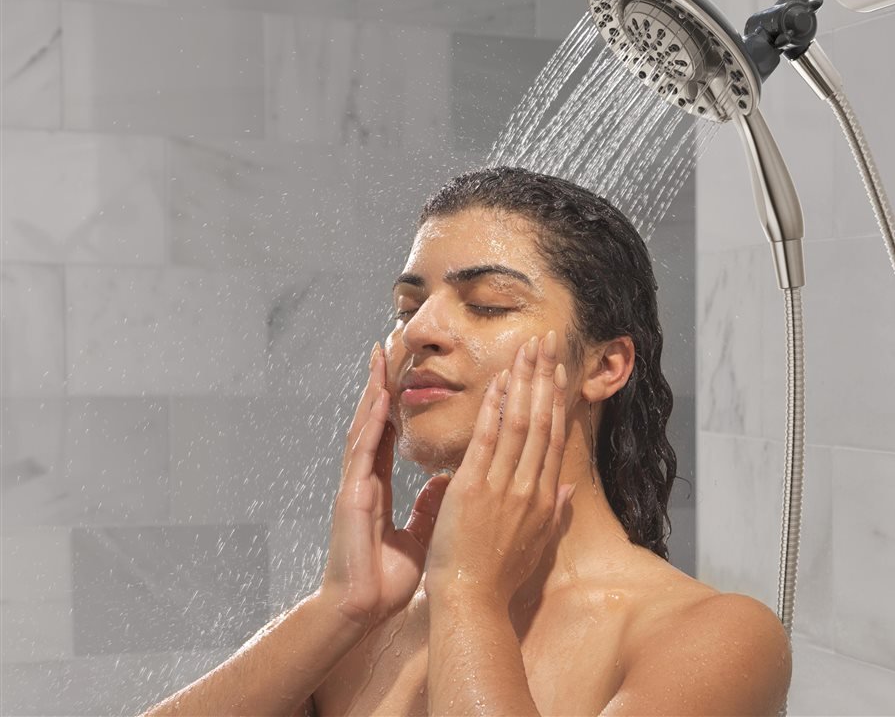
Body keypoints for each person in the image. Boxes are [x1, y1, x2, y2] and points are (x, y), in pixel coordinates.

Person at [143, 166, 791, 716]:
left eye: (486, 303)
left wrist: (470, 597)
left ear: (603, 367)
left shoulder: (710, 639)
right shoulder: (368, 627)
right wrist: (339, 607)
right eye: (406, 308)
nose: (417, 332)